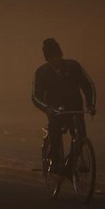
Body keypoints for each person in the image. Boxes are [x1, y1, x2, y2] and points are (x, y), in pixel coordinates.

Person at [31, 38, 96, 174]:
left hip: (75, 108)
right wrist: (47, 108)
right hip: (56, 111)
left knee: (81, 137)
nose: (56, 60)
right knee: (55, 132)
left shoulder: (74, 67)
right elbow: (36, 96)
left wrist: (90, 104)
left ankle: (71, 163)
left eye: (58, 56)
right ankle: (54, 160)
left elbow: (88, 86)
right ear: (47, 59)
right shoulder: (42, 73)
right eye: (52, 58)